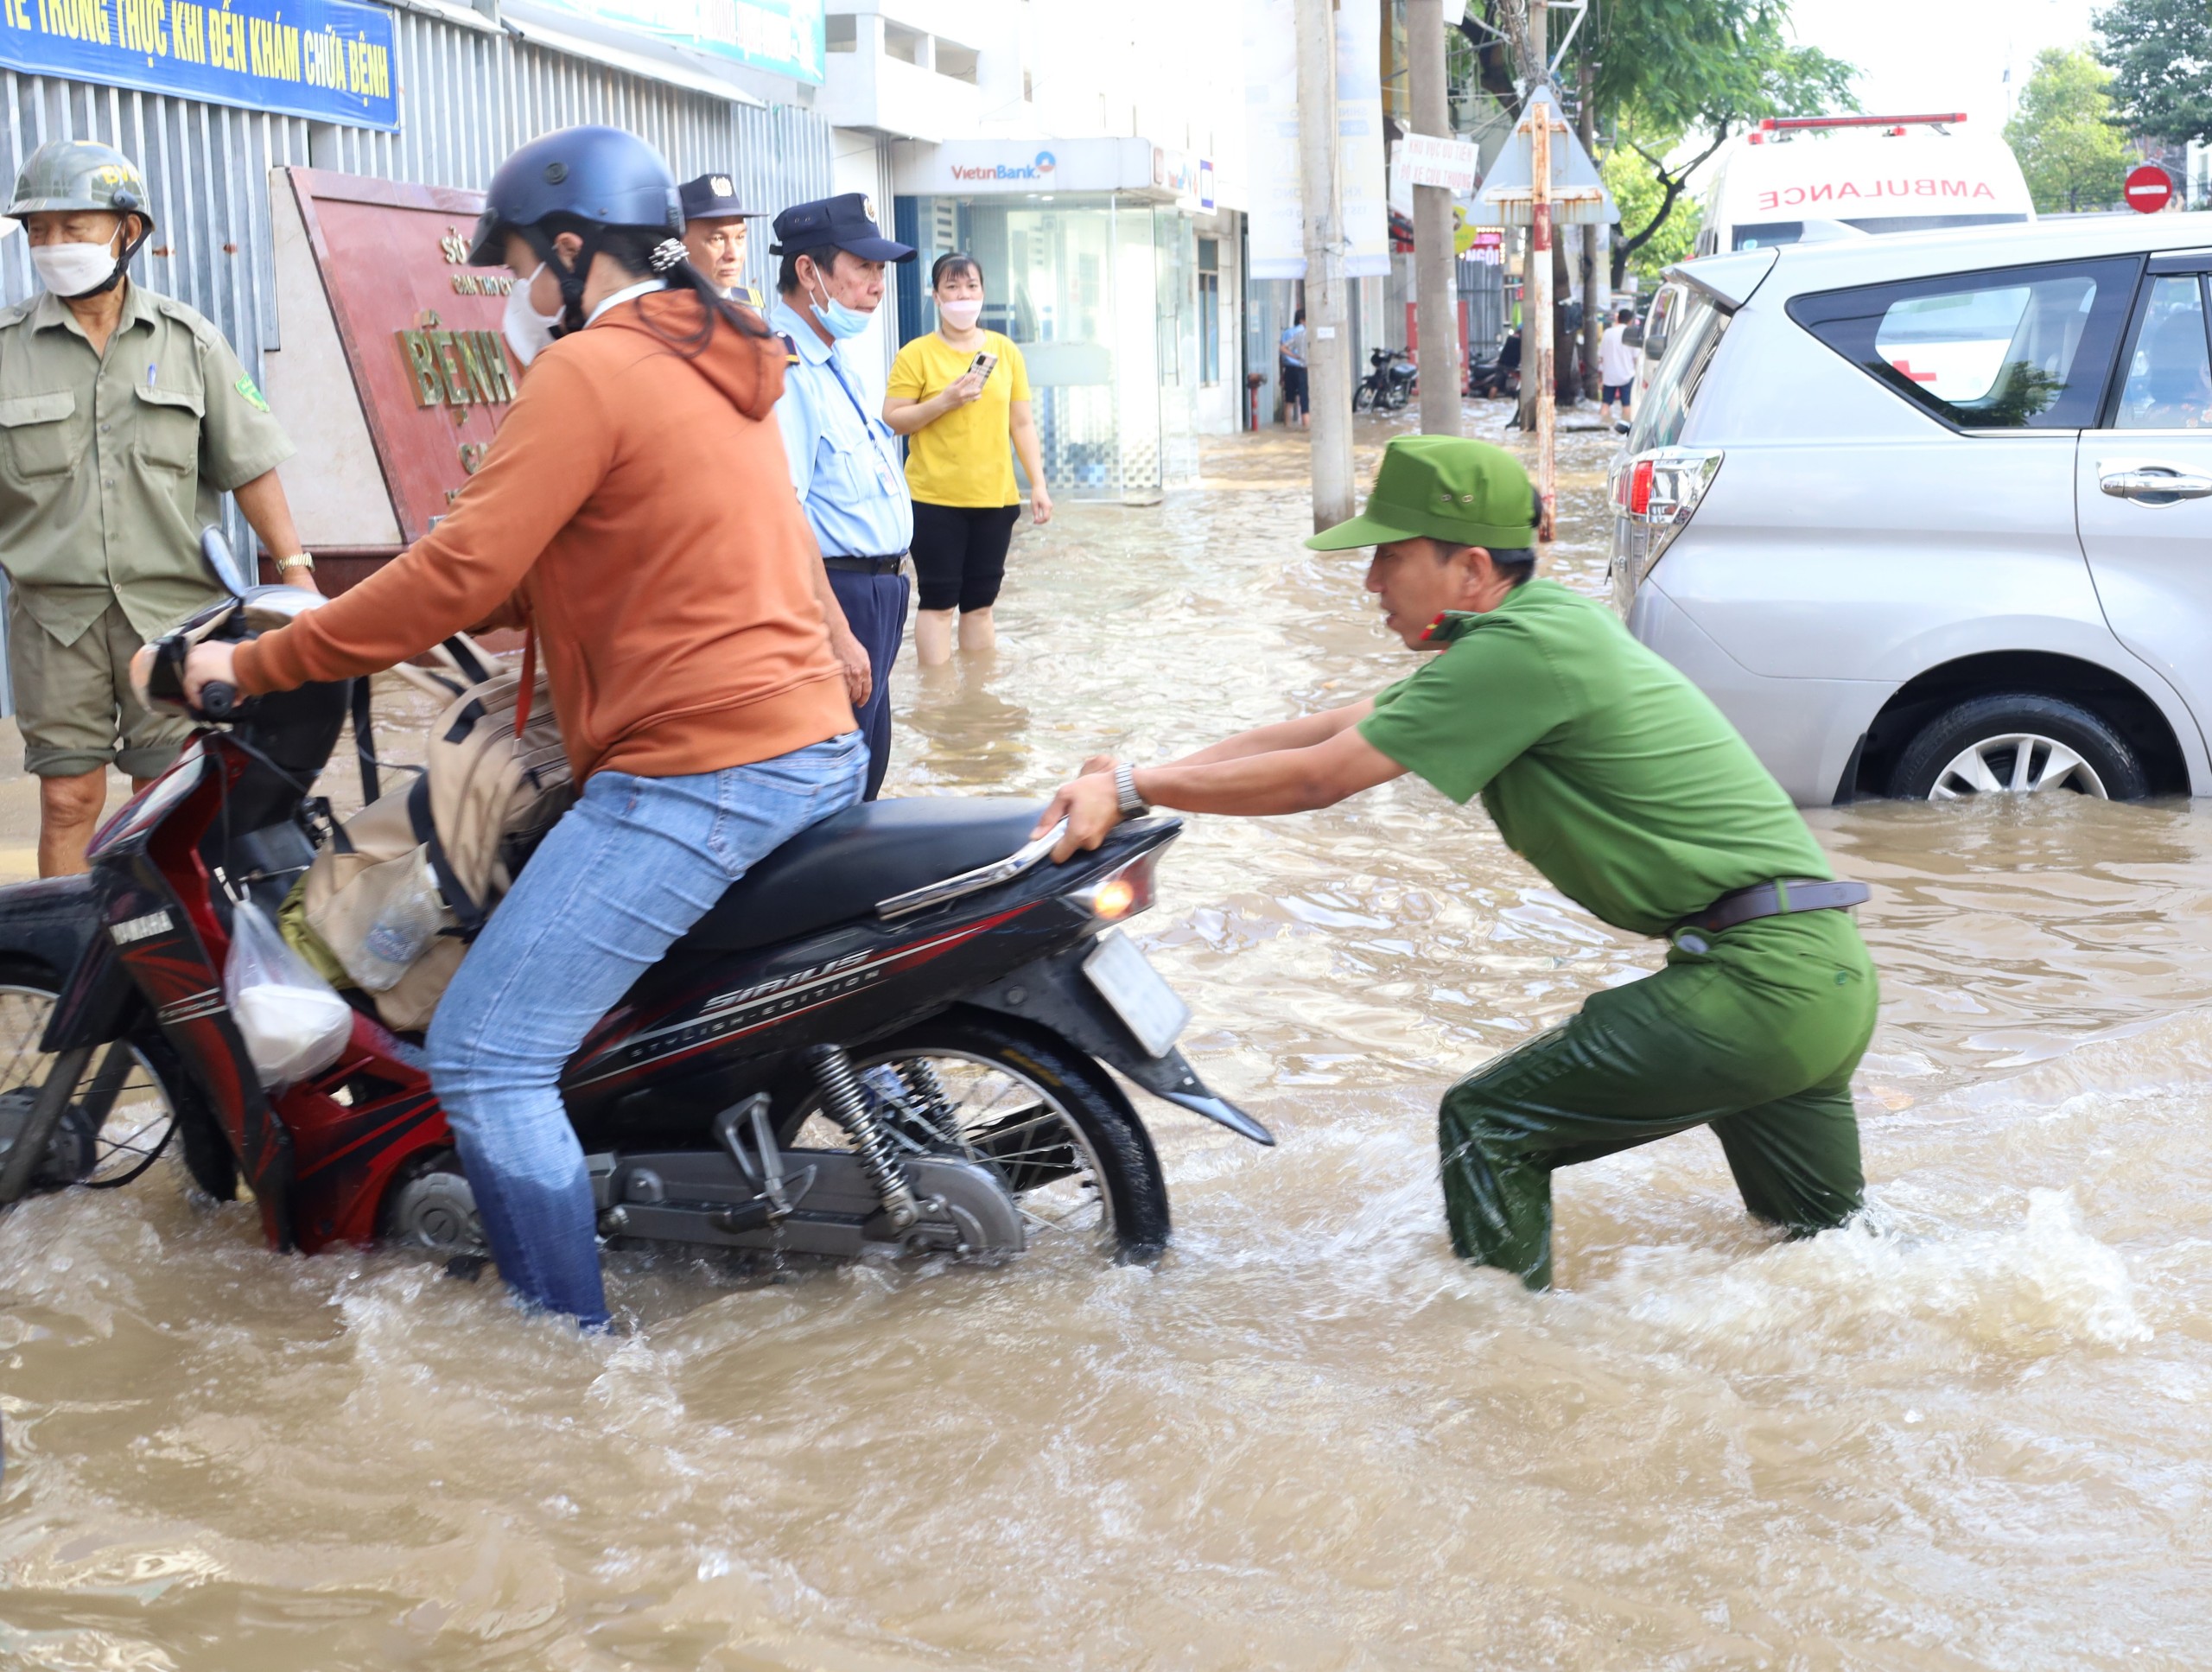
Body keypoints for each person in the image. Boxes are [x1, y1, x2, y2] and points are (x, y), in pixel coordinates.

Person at [160, 126, 866, 1330]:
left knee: (491, 1051)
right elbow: (554, 568)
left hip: (702, 773)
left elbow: (456, 568)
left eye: (528, 270)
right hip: (804, 742)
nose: (523, 298)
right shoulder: (724, 358)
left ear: (577, 252)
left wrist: (256, 659)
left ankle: (567, 1359)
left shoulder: (591, 372)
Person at [1035, 435, 1878, 1291]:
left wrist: (1136, 788)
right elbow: (1314, 732)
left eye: (1388, 558)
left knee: (1488, 1123)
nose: (1369, 584)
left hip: (1757, 987)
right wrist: (1129, 778)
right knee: (1833, 1268)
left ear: (1470, 568)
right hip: (1822, 979)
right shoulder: (1536, 633)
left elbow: (1316, 780)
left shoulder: (1517, 654)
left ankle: (1512, 1381)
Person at [0, 139, 317, 878]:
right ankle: (78, 965)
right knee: (68, 800)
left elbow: (250, 465)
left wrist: (297, 576)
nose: (52, 245)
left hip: (174, 616)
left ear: (127, 231)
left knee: (166, 794)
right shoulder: (6, 350)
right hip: (56, 621)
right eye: (37, 230)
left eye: (71, 227)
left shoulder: (188, 340)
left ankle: (170, 973)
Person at [766, 193, 916, 799]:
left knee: (866, 771)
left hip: (878, 592)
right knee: (831, 787)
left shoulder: (836, 360)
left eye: (881, 271)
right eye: (863, 268)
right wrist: (839, 631)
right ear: (809, 271)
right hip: (841, 597)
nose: (877, 285)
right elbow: (784, 513)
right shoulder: (785, 367)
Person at [882, 253, 1052, 666]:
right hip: (935, 499)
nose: (963, 296)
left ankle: (976, 702)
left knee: (980, 603)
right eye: (952, 287)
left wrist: (1039, 486)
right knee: (939, 603)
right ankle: (938, 704)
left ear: (983, 293)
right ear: (936, 296)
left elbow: (1022, 423)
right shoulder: (916, 354)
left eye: (971, 287)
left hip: (995, 499)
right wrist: (945, 401)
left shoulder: (1005, 352)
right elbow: (894, 419)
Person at [677, 173, 765, 308]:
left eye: (740, 237)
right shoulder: (666, 309)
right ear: (681, 243)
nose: (733, 255)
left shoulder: (748, 305)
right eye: (717, 239)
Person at [1598, 306, 1639, 425]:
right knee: (1626, 405)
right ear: (1630, 321)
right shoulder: (1631, 334)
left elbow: (1601, 356)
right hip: (1626, 375)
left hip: (1609, 375)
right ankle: (1625, 427)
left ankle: (1601, 425)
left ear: (1618, 319)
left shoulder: (1607, 333)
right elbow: (1636, 357)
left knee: (1605, 404)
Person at [1279, 309, 1310, 428]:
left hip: (1288, 369)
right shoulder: (1305, 333)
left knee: (1289, 401)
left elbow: (1281, 353)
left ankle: (1287, 428)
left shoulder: (1287, 333)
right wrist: (1298, 357)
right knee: (1304, 403)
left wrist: (1282, 373)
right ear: (1302, 320)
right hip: (1302, 370)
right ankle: (1306, 430)